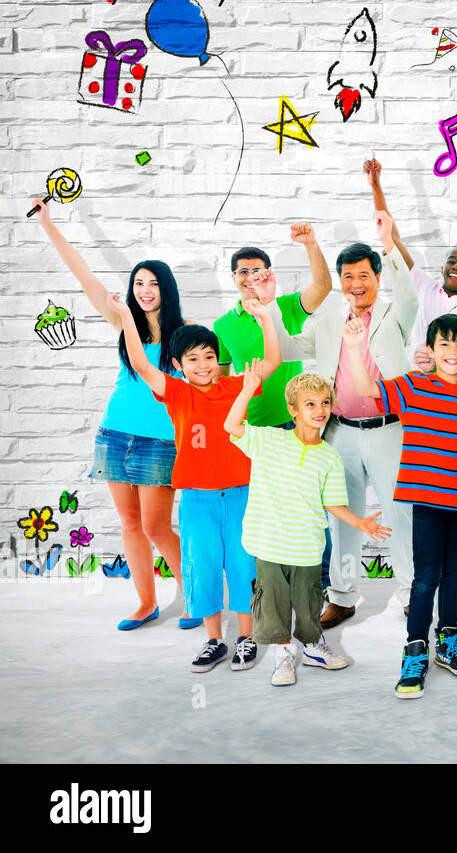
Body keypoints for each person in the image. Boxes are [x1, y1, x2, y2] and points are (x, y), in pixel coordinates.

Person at [31, 197, 192, 631]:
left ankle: (197, 597)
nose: (144, 290)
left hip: (160, 440)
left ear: (166, 289)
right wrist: (48, 223)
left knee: (158, 528)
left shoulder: (183, 335)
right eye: (139, 282)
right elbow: (83, 275)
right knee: (130, 524)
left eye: (153, 283)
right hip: (115, 433)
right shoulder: (124, 321)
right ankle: (146, 602)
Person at [265, 201, 418, 628]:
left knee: (398, 512)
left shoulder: (394, 312)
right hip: (341, 432)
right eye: (347, 277)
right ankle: (345, 596)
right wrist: (270, 309)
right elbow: (293, 349)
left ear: (376, 278)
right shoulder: (330, 315)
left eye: (363, 276)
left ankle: (408, 593)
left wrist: (388, 244)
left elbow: (407, 292)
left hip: (389, 430)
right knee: (342, 517)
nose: (355, 284)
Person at [112, 293, 280, 672]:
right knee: (202, 567)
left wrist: (266, 317)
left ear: (218, 360)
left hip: (240, 495)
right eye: (192, 359)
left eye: (208, 357)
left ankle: (246, 639)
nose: (203, 366)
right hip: (197, 500)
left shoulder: (235, 387)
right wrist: (125, 315)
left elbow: (272, 361)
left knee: (242, 565)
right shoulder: (176, 392)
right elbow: (139, 362)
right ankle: (214, 641)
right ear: (177, 365)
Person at [343, 313, 457, 698]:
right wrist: (356, 347)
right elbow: (364, 387)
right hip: (426, 501)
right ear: (431, 349)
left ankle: (448, 641)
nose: (452, 352)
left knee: (454, 575)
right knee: (425, 578)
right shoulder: (414, 385)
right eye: (444, 344)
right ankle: (415, 649)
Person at [225, 366, 390, 687]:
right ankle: (284, 655)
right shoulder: (268, 439)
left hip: (307, 548)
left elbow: (333, 503)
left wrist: (361, 522)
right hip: (270, 545)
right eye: (310, 404)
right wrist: (247, 389)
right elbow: (231, 425)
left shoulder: (329, 456)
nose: (319, 410)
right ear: (293, 410)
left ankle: (313, 647)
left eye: (325, 403)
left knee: (309, 601)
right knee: (273, 602)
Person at [214, 225, 332, 587]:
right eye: (243, 272)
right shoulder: (223, 325)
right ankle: (267, 582)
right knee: (264, 511)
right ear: (233, 278)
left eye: (257, 270)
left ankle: (319, 582)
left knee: (309, 507)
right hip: (253, 434)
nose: (251, 277)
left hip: (293, 426)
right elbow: (221, 382)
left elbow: (323, 287)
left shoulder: (285, 307)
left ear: (268, 273)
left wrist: (311, 244)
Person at [363, 158, 457, 365]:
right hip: (418, 382)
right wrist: (376, 185)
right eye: (452, 261)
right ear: (442, 268)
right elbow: (393, 237)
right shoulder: (425, 287)